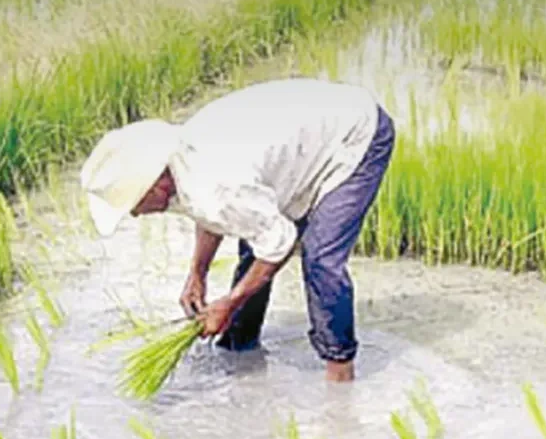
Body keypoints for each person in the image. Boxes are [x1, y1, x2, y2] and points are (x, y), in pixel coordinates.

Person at [79, 78, 395, 382]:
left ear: (153, 186)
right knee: (254, 240)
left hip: (353, 136)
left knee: (320, 259)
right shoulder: (181, 167)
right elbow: (213, 217)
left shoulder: (216, 184)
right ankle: (239, 348)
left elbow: (278, 241)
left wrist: (229, 302)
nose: (135, 215)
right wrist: (197, 273)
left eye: (133, 204)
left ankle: (340, 374)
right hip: (302, 143)